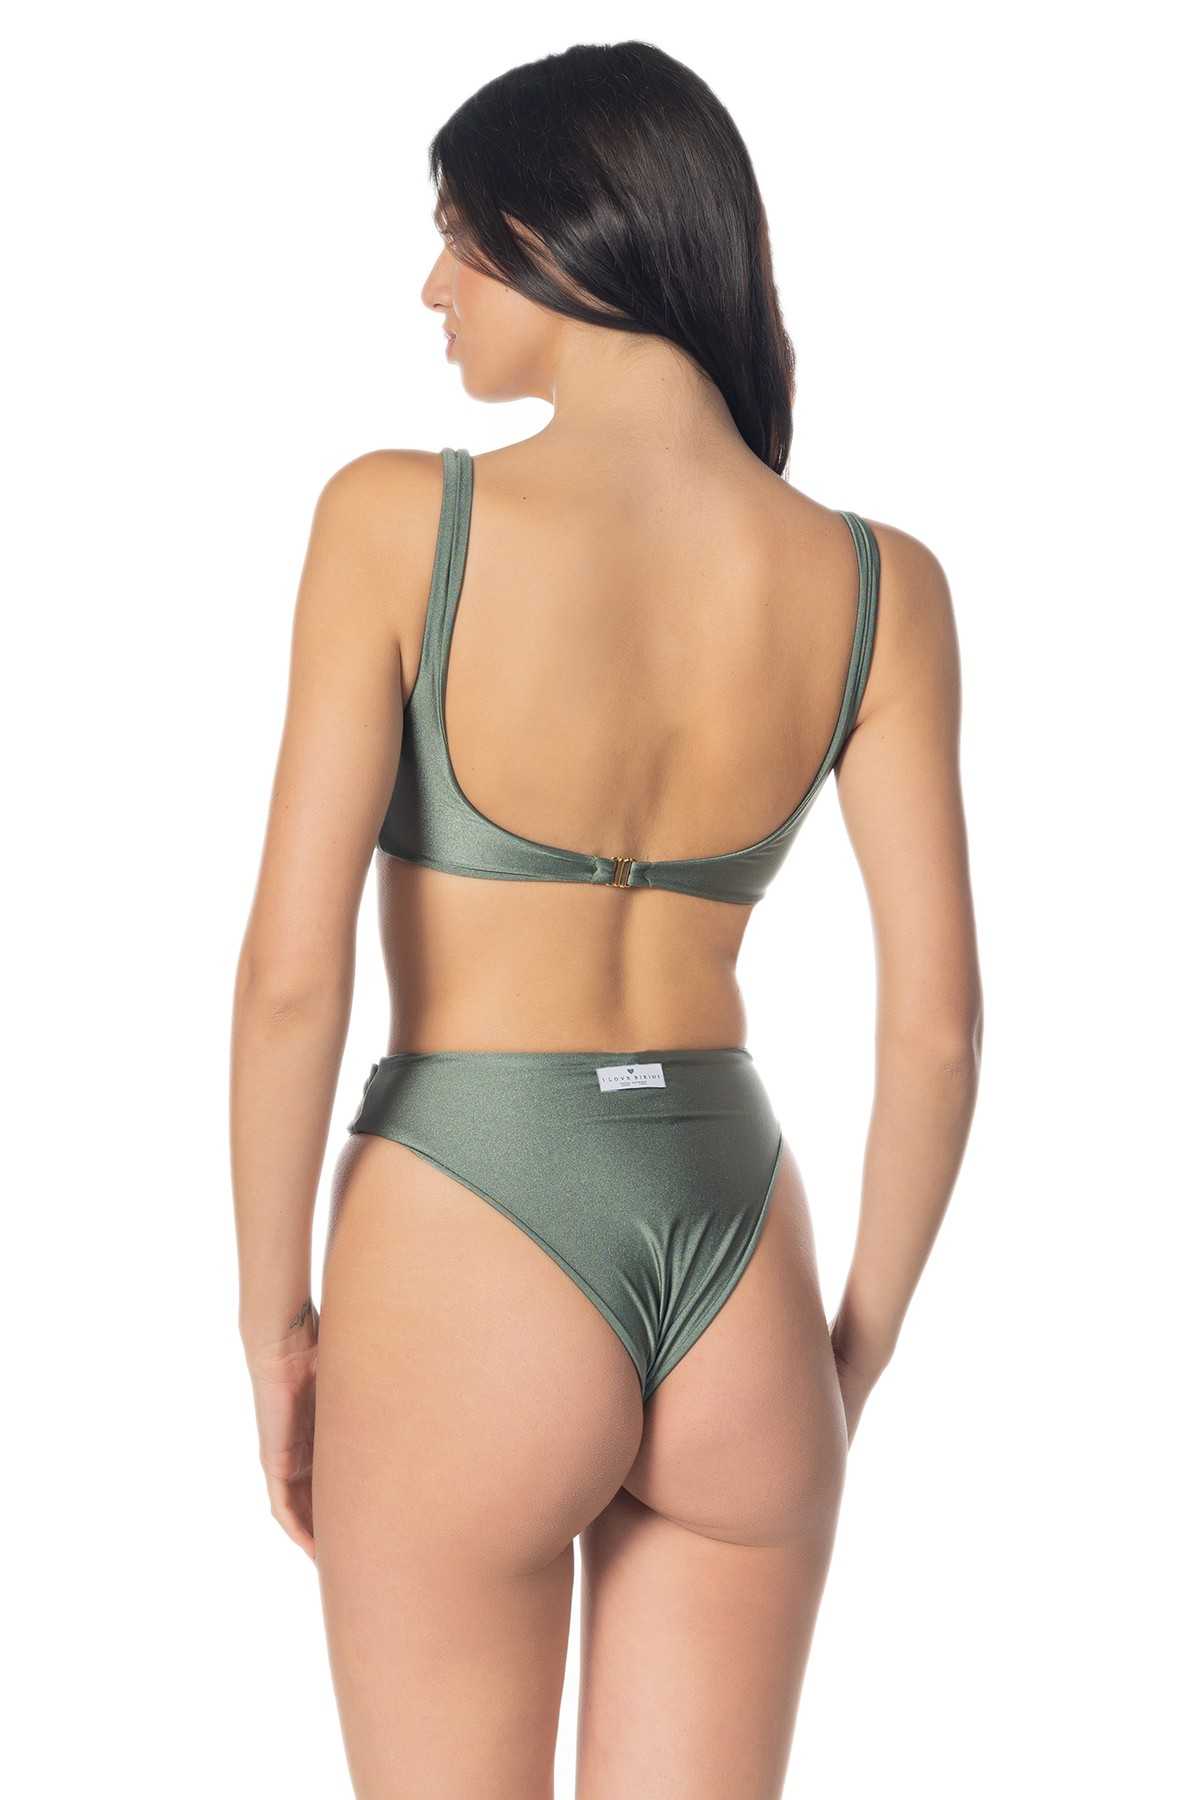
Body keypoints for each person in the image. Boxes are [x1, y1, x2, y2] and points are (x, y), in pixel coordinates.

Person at [230, 39, 982, 1800]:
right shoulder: (878, 582)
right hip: (739, 1245)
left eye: (456, 238)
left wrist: (278, 1329)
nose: (432, 290)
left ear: (565, 233)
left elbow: (289, 985)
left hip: (467, 1223)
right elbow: (939, 1025)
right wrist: (847, 1359)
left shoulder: (398, 521)